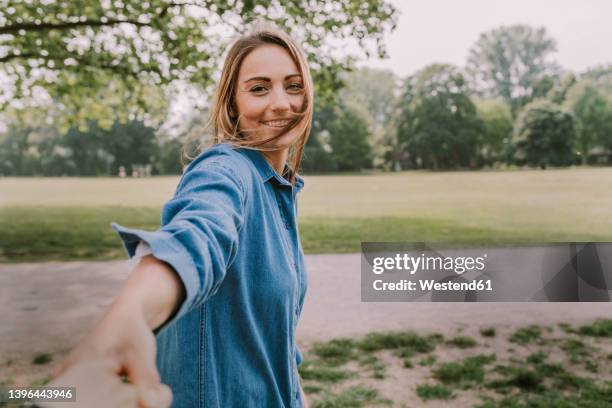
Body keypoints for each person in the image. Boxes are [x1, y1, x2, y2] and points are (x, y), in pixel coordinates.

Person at [50, 24, 313, 408]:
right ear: (232, 105)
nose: (281, 102)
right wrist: (131, 314)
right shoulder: (225, 170)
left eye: (293, 85)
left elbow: (274, 333)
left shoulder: (277, 189)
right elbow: (195, 237)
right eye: (259, 88)